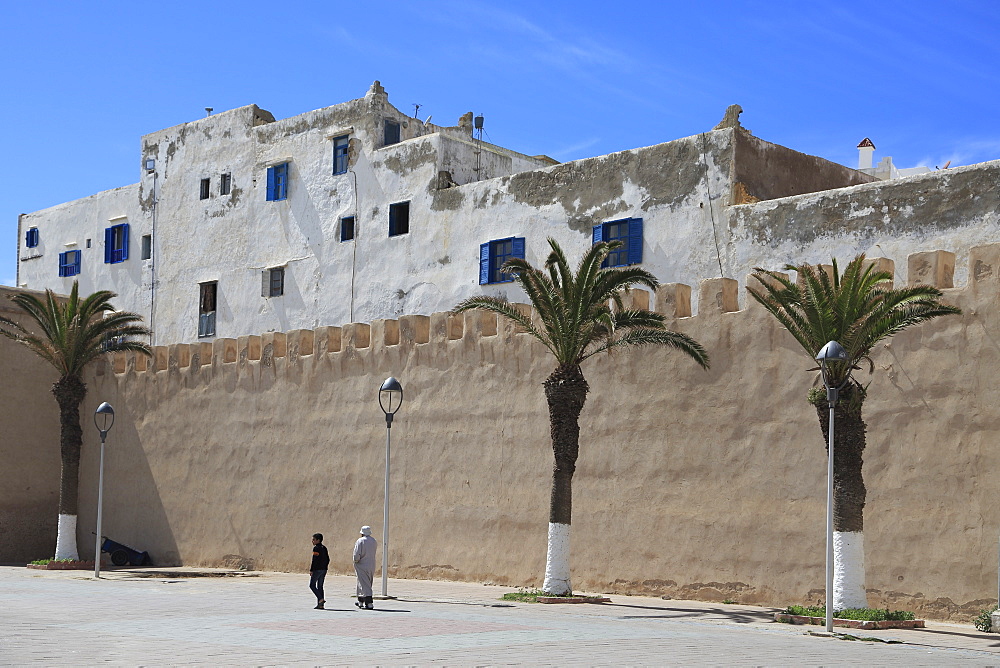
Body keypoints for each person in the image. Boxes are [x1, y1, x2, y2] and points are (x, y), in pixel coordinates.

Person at [353, 525, 377, 610]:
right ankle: (360, 600)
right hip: (371, 564)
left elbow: (356, 554)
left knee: (364, 583)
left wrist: (356, 560)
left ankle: (369, 602)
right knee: (364, 582)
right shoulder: (373, 541)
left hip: (362, 564)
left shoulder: (360, 541)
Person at [309, 533, 329, 610]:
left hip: (317, 570)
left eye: (314, 539)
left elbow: (315, 560)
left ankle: (320, 599)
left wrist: (312, 570)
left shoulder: (316, 548)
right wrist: (325, 567)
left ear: (318, 540)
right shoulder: (324, 548)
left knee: (312, 585)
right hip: (323, 569)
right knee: (320, 586)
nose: (312, 541)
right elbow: (328, 559)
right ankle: (321, 605)